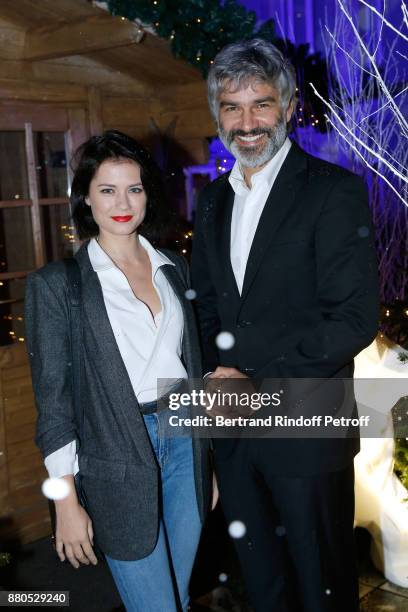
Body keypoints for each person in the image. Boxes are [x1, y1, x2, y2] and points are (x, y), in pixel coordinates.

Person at [191, 39, 379, 612]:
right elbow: (206, 307)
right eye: (231, 107)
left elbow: (353, 318)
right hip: (236, 435)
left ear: (290, 106)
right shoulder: (211, 202)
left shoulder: (332, 192)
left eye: (261, 104)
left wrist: (256, 380)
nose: (247, 123)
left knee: (321, 586)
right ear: (217, 114)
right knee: (263, 586)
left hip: (306, 429)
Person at [25, 130, 213, 612]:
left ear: (149, 193)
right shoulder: (59, 286)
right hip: (116, 455)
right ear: (86, 197)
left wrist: (205, 463)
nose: (122, 202)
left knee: (180, 596)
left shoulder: (173, 267)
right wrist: (64, 501)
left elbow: (190, 372)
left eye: (134, 188)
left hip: (185, 441)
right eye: (107, 189)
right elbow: (54, 403)